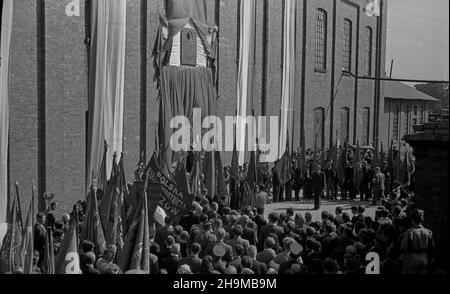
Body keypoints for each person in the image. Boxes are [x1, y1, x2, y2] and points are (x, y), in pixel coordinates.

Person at [400, 209, 434, 274]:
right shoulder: (428, 232)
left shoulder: (409, 232)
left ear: (412, 220)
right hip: (424, 258)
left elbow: (403, 247)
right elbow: (432, 247)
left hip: (412, 257)